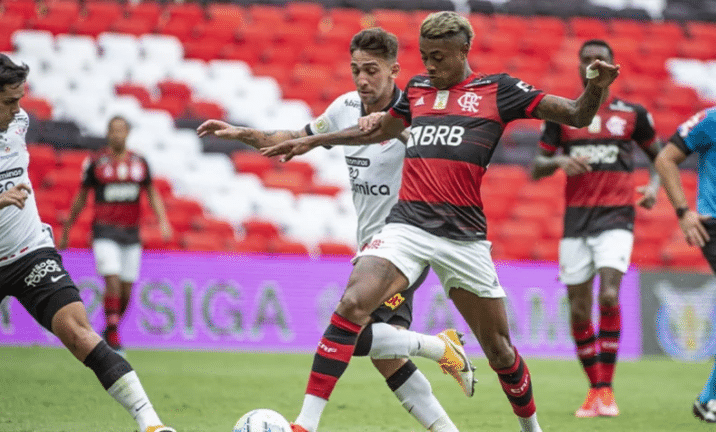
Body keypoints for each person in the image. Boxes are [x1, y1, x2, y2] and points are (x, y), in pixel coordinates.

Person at [262, 11, 620, 432]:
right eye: (425, 56)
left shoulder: (498, 90)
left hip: (463, 238)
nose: (429, 66)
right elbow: (375, 133)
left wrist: (595, 87)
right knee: (351, 306)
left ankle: (532, 429)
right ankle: (305, 425)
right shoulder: (415, 90)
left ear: (463, 51)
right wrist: (313, 141)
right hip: (407, 227)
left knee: (501, 351)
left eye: (438, 58)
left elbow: (577, 115)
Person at [198, 28, 473, 432]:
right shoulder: (345, 107)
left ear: (395, 70)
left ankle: (306, 424)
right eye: (356, 70)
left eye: (372, 71)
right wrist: (245, 134)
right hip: (371, 246)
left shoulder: (417, 112)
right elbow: (298, 138)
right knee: (381, 352)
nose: (362, 80)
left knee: (350, 328)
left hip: (409, 241)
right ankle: (444, 387)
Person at [0, 50, 175, 432]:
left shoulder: (17, 120)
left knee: (78, 332)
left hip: (30, 253)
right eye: (9, 101)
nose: (18, 109)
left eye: (20, 99)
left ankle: (151, 424)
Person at [530, 39, 661, 418]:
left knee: (608, 296)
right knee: (578, 309)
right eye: (586, 60)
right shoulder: (563, 115)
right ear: (578, 67)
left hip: (616, 218)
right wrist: (559, 163)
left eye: (598, 59)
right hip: (576, 222)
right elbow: (537, 167)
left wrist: (653, 187)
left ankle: (605, 389)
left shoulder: (632, 114)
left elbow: (661, 157)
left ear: (612, 66)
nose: (592, 64)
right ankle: (596, 390)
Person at [58, 115, 172, 353]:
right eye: (113, 130)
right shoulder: (97, 162)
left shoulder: (139, 162)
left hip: (131, 234)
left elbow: (151, 192)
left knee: (127, 290)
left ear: (127, 133)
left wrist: (163, 221)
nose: (117, 134)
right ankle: (112, 334)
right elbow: (82, 196)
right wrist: (68, 227)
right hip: (104, 232)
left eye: (121, 130)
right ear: (108, 133)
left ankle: (110, 326)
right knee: (112, 281)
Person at [654, 107, 716, 423]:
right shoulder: (711, 120)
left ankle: (709, 399)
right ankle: (709, 400)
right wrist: (683, 212)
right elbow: (665, 159)